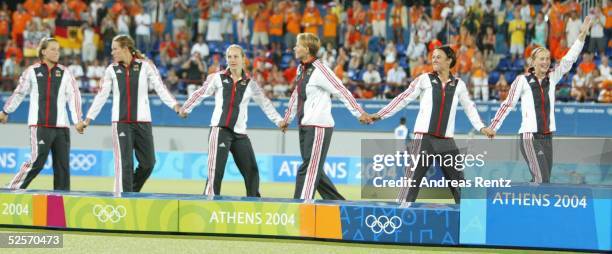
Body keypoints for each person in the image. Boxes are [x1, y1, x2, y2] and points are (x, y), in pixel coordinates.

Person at [369, 45, 495, 204]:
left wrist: (482, 127)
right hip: (424, 139)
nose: (434, 59)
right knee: (411, 184)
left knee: (460, 186)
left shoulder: (459, 85)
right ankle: (399, 219)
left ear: (449, 60)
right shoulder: (424, 79)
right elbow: (402, 99)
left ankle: (470, 222)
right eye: (433, 56)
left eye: (438, 57)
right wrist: (379, 115)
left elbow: (470, 108)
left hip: (447, 142)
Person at [488, 17, 592, 183]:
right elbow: (507, 104)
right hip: (530, 136)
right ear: (533, 61)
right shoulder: (522, 80)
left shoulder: (552, 78)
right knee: (541, 179)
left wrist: (582, 35)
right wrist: (493, 127)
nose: (545, 62)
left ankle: (530, 206)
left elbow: (569, 59)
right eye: (541, 59)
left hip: (548, 136)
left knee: (544, 180)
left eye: (547, 59)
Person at [79, 35, 180, 193]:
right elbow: (101, 96)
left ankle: (130, 191)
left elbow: (160, 88)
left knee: (149, 163)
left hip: (143, 122)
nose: (112, 52)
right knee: (125, 165)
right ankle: (124, 201)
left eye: (115, 49)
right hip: (121, 123)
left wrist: (175, 106)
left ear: (125, 49)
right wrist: (88, 119)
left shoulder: (146, 66)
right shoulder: (111, 70)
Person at [179, 45, 283, 197]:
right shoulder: (217, 77)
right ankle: (209, 207)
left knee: (252, 171)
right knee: (215, 173)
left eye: (236, 57)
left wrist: (279, 121)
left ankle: (254, 207)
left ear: (243, 59)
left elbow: (265, 104)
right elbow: (200, 93)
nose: (232, 60)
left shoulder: (251, 83)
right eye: (229, 57)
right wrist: (186, 108)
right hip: (219, 130)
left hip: (240, 134)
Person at [279, 33, 371, 202]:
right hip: (305, 126)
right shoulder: (301, 68)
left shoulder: (321, 70)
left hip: (319, 127)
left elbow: (341, 90)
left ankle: (299, 207)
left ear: (307, 49)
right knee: (315, 170)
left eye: (298, 45)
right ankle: (341, 205)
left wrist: (359, 112)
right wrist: (287, 119)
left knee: (307, 169)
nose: (294, 48)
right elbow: (296, 95)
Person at [0, 37, 83, 190]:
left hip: (62, 127)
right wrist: (5, 111)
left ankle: (62, 200)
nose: (57, 52)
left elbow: (74, 96)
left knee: (63, 168)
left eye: (58, 50)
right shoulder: (32, 71)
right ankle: (11, 189)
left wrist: (77, 120)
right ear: (43, 52)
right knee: (37, 160)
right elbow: (19, 93)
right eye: (53, 49)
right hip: (39, 126)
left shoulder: (66, 73)